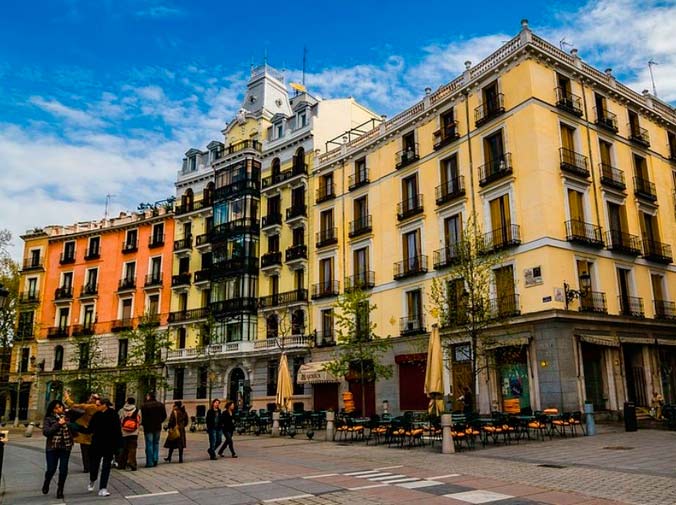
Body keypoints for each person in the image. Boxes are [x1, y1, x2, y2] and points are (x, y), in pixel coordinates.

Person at [88, 398, 122, 497]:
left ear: (105, 405)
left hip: (109, 444)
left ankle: (103, 488)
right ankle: (92, 479)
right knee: (94, 465)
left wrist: (119, 445)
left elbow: (117, 430)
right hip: (96, 444)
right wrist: (76, 427)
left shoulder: (113, 414)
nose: (96, 407)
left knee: (106, 466)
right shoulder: (96, 415)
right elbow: (90, 429)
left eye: (98, 405)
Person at [63, 391, 104, 473]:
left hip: (85, 431)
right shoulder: (102, 408)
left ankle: (87, 467)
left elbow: (73, 405)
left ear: (93, 399)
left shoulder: (90, 407)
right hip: (95, 432)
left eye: (91, 397)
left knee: (85, 450)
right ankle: (93, 465)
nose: (89, 399)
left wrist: (67, 397)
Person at [42, 400, 74, 499]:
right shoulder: (48, 419)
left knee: (63, 470)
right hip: (52, 447)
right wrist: (58, 424)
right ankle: (47, 481)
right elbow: (46, 432)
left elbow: (80, 412)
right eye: (56, 408)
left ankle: (60, 490)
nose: (59, 409)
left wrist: (69, 404)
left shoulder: (67, 417)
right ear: (52, 409)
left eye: (60, 407)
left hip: (65, 446)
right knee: (51, 469)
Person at [140, 392, 167, 468]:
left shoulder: (144, 405)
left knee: (149, 444)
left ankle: (149, 462)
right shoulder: (161, 405)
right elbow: (164, 416)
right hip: (157, 427)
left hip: (148, 427)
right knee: (156, 443)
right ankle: (155, 459)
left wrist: (143, 424)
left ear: (148, 396)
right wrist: (159, 421)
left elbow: (143, 417)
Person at [117, 397, 142, 471]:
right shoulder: (138, 410)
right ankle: (132, 463)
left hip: (124, 432)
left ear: (127, 402)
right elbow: (140, 421)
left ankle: (121, 464)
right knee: (132, 449)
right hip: (134, 433)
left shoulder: (122, 410)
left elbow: (119, 420)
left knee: (123, 448)